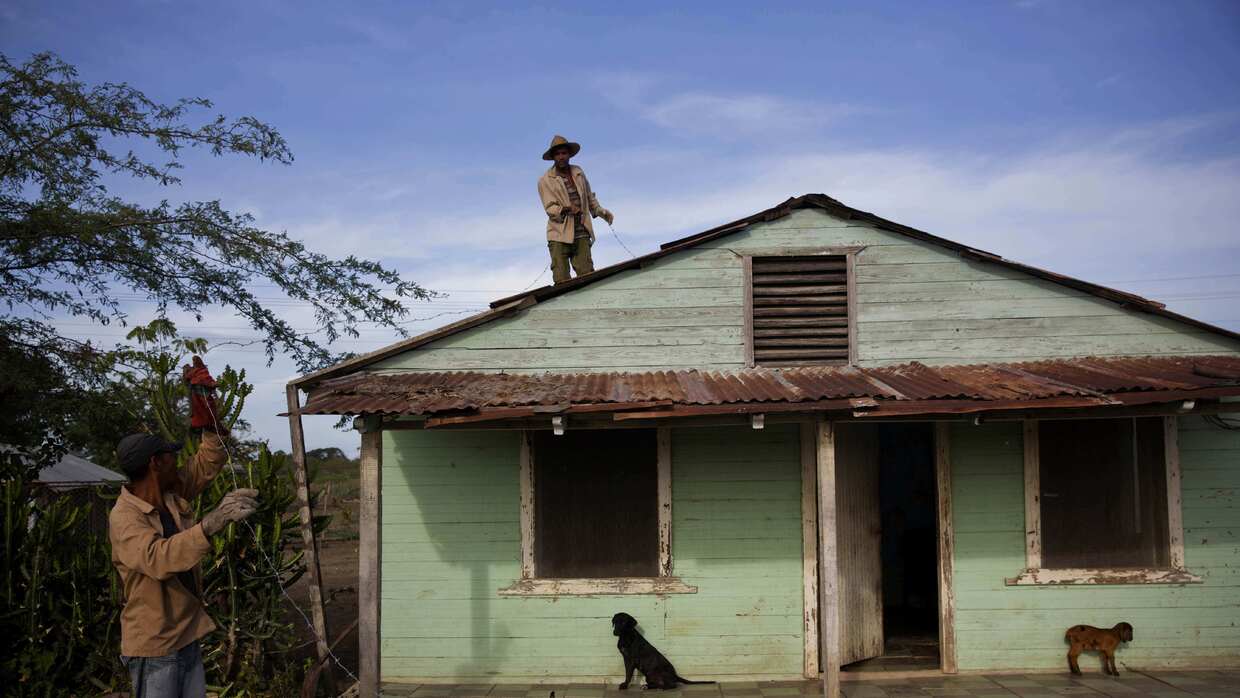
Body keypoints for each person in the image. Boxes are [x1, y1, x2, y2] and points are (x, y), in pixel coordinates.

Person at [109, 356, 260, 697]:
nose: (178, 460)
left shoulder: (171, 493)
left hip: (186, 636)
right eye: (170, 456)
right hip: (155, 646)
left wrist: (207, 410)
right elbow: (158, 559)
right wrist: (213, 523)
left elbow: (210, 459)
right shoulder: (124, 518)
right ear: (155, 463)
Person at [537, 134, 615, 284]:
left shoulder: (578, 172)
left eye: (564, 153)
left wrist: (601, 212)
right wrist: (567, 208)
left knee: (587, 278)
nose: (561, 157)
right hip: (559, 234)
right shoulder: (545, 180)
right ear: (553, 157)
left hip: (581, 232)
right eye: (558, 154)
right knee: (561, 281)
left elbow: (589, 197)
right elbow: (550, 209)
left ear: (569, 155)